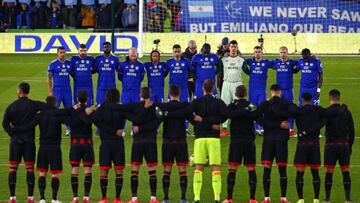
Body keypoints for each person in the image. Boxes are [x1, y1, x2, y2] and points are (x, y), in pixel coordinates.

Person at [12, 96, 71, 203]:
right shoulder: (57, 114)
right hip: (55, 148)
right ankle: (54, 199)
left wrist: (16, 129)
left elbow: (29, 126)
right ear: (55, 103)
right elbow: (70, 121)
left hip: (42, 148)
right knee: (55, 174)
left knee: (42, 173)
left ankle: (42, 198)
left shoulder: (40, 115)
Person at [177, 79, 227, 203]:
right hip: (214, 139)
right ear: (213, 88)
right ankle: (216, 198)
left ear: (202, 89)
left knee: (198, 167)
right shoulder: (218, 102)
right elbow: (226, 115)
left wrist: (197, 121)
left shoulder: (196, 102)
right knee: (215, 167)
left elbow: (187, 113)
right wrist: (214, 123)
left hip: (199, 138)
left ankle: (197, 198)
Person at [93, 88, 138, 203]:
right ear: (118, 97)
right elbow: (134, 118)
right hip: (118, 143)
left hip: (105, 144)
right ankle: (117, 198)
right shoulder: (120, 109)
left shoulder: (101, 108)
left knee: (104, 171)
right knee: (119, 171)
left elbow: (94, 120)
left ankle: (103, 198)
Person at [2, 82, 45, 203]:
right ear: (28, 91)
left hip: (15, 141)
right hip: (29, 141)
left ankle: (12, 198)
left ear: (20, 91)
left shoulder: (12, 106)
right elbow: (48, 106)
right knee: (30, 169)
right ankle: (30, 198)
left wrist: (13, 133)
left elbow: (5, 124)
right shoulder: (34, 105)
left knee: (12, 168)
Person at [256, 84, 292, 203]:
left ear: (270, 92)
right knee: (282, 170)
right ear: (280, 92)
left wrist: (267, 124)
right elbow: (294, 112)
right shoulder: (286, 103)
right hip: (281, 140)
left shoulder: (265, 104)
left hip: (269, 140)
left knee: (267, 169)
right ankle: (284, 198)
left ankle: (266, 198)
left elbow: (256, 117)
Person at [126, 87, 162, 203]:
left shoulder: (136, 107)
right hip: (150, 142)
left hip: (137, 143)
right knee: (152, 171)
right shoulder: (155, 108)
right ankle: (153, 198)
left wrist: (139, 127)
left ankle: (134, 198)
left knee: (134, 170)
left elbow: (132, 118)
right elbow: (159, 119)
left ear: (140, 94)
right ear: (150, 95)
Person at [222, 85, 258, 203]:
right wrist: (247, 110)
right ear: (246, 94)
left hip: (236, 141)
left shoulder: (232, 106)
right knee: (251, 169)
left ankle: (229, 198)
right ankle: (252, 199)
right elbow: (256, 116)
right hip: (249, 141)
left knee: (232, 169)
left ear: (236, 94)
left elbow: (229, 115)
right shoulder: (251, 106)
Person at [155, 84, 190, 203]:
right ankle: (183, 198)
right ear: (179, 94)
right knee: (182, 170)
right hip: (181, 142)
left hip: (168, 143)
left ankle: (165, 198)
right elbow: (193, 120)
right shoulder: (184, 107)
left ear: (169, 94)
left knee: (167, 170)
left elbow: (156, 121)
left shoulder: (165, 107)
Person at [322, 89, 354, 203]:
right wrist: (349, 146)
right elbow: (352, 130)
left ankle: (327, 199)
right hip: (343, 145)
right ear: (339, 98)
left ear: (329, 98)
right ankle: (348, 199)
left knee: (329, 172)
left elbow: (318, 125)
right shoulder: (346, 111)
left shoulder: (326, 111)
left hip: (330, 146)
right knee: (345, 171)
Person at [68, 91, 95, 203]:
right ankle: (86, 197)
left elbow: (69, 122)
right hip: (87, 143)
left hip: (75, 144)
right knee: (87, 169)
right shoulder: (89, 111)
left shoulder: (72, 111)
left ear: (77, 99)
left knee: (75, 169)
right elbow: (90, 120)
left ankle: (75, 197)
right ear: (87, 99)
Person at [219, 40, 249, 137]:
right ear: (229, 47)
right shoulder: (223, 60)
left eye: (235, 46)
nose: (233, 48)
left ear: (237, 47)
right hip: (226, 84)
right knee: (225, 104)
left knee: (239, 105)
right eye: (232, 46)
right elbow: (216, 70)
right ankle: (224, 127)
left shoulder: (241, 60)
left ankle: (240, 125)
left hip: (237, 84)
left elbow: (248, 71)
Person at [270, 46, 299, 137]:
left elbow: (301, 63)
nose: (283, 54)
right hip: (278, 91)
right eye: (281, 52)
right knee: (276, 109)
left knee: (291, 109)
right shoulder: (276, 62)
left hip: (288, 90)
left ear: (287, 53)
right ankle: (278, 126)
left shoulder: (292, 62)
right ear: (279, 54)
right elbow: (266, 63)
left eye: (284, 52)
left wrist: (313, 57)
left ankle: (290, 129)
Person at [244, 46, 273, 136]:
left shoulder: (266, 63)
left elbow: (277, 64)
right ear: (253, 53)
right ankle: (254, 128)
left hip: (261, 91)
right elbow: (243, 63)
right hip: (252, 91)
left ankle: (262, 128)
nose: (257, 53)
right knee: (252, 109)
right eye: (256, 52)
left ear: (262, 53)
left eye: (259, 52)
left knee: (261, 109)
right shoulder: (249, 61)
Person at [166, 44, 193, 134]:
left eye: (178, 51)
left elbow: (193, 70)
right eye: (175, 52)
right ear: (173, 52)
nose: (177, 53)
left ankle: (185, 129)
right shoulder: (169, 62)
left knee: (186, 108)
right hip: (172, 90)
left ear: (181, 52)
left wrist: (191, 78)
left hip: (184, 89)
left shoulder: (186, 62)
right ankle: (170, 127)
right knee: (170, 108)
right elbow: (164, 73)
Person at [118, 48, 145, 135]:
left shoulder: (141, 65)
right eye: (131, 55)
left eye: (134, 55)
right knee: (123, 111)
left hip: (136, 92)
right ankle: (122, 129)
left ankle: (134, 129)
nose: (133, 57)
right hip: (126, 92)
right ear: (128, 55)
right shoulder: (123, 64)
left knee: (136, 111)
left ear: (137, 55)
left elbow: (141, 77)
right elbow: (120, 76)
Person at [47, 46, 73, 135]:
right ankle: (53, 127)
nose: (62, 54)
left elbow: (74, 74)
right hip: (57, 90)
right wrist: (50, 92)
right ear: (57, 53)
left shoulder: (69, 63)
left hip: (67, 90)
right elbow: (49, 79)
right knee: (54, 109)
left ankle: (68, 128)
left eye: (64, 52)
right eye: (61, 52)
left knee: (69, 109)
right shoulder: (53, 64)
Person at [94, 41, 120, 105]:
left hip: (112, 87)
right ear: (102, 48)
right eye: (105, 47)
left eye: (108, 47)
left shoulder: (115, 59)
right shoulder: (98, 58)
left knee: (112, 105)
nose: (106, 48)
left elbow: (119, 70)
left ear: (110, 48)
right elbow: (95, 69)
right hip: (101, 86)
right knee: (99, 106)